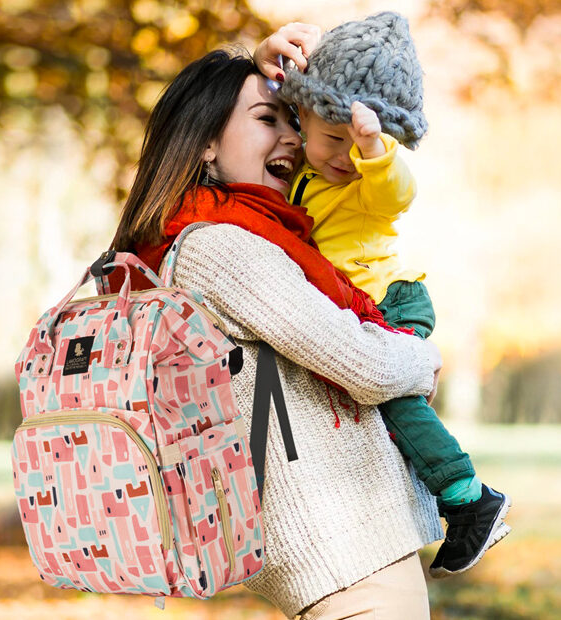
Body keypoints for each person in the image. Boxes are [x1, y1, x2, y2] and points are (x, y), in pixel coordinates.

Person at [109, 47, 443, 619]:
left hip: (341, 549)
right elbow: (366, 365)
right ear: (205, 142)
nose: (292, 138)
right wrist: (423, 356)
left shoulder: (221, 232)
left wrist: (271, 57)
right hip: (343, 552)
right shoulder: (221, 246)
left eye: (294, 122)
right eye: (269, 120)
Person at [257, 13, 511, 578]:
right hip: (357, 300)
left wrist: (375, 148)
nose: (344, 157)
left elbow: (398, 192)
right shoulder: (303, 161)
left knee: (393, 398)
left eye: (362, 146)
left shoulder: (371, 182)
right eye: (333, 140)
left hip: (390, 298)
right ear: (305, 118)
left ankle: (469, 499)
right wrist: (264, 58)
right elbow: (261, 106)